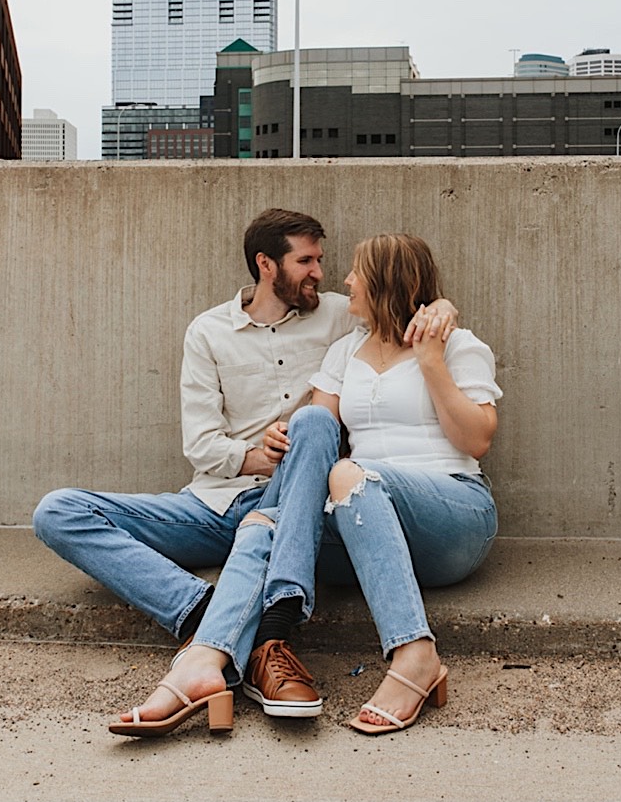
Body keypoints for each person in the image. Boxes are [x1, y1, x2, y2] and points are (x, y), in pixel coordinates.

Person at [110, 233, 499, 738]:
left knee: (343, 473)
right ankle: (205, 662)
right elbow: (311, 438)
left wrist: (430, 361)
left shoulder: (459, 345)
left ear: (384, 280)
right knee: (306, 443)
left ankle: (412, 652)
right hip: (361, 527)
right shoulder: (346, 350)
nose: (345, 280)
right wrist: (282, 438)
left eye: (357, 271)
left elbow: (476, 441)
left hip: (449, 518)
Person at [33, 209, 457, 646]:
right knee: (58, 512)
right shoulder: (208, 331)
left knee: (312, 426)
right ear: (266, 264)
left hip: (300, 505)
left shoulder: (339, 315)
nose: (320, 273)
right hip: (216, 505)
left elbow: (400, 305)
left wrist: (441, 307)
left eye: (320, 260)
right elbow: (201, 445)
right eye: (305, 262)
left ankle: (245, 618)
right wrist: (261, 456)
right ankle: (196, 608)